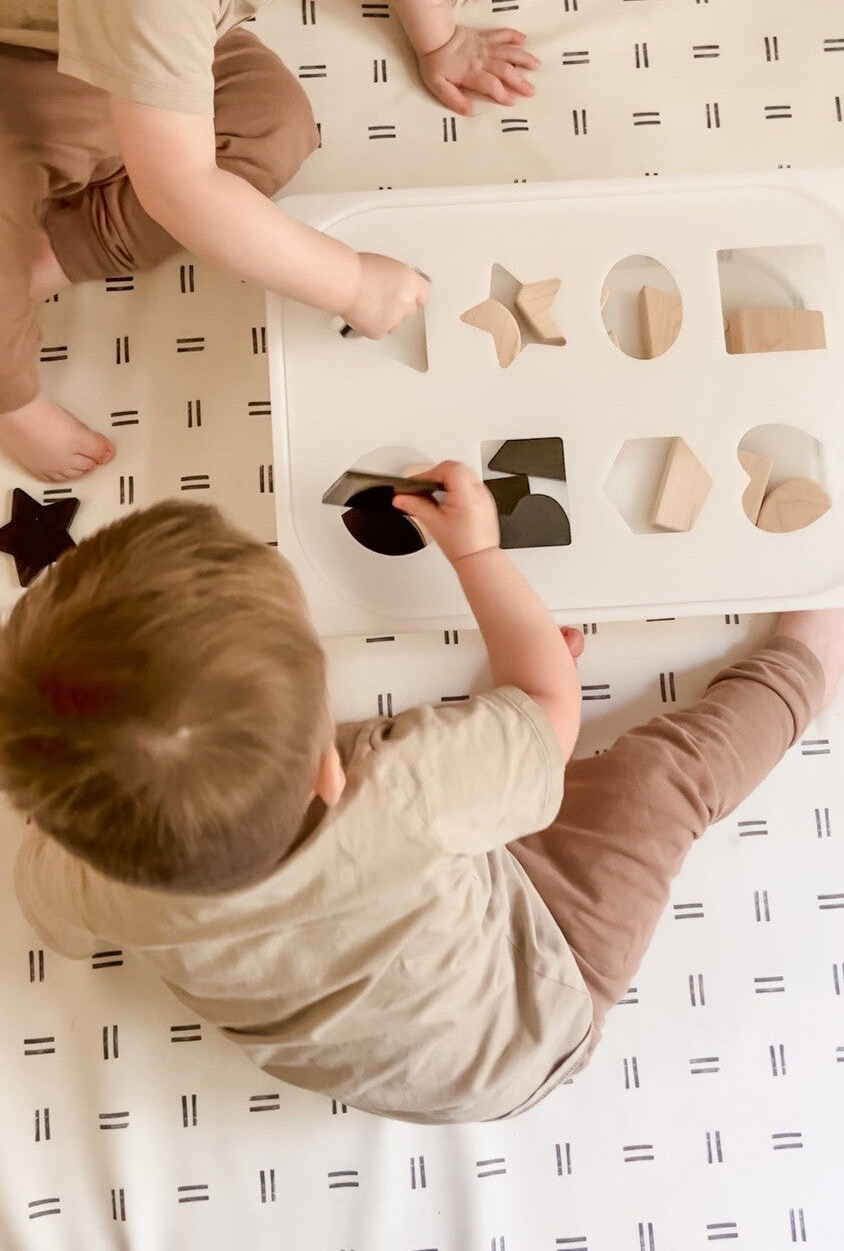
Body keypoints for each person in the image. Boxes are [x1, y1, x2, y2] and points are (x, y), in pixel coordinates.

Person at [2, 463, 840, 1124]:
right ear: (329, 769)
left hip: (409, 1052)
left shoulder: (91, 877)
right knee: (665, 781)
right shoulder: (398, 785)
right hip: (534, 998)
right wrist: (477, 555)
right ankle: (806, 660)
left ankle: (494, 773)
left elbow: (52, 908)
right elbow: (551, 708)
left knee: (488, 774)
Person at [0, 0, 545, 482]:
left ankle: (57, 252)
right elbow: (181, 191)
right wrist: (347, 282)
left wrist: (439, 38)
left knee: (274, 126)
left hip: (130, 33)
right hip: (19, 65)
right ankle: (9, 400)